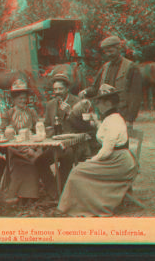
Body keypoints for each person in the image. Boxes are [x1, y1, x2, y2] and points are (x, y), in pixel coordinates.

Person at [57, 84, 138, 217]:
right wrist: (96, 122)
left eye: (99, 102)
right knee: (80, 169)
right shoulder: (111, 118)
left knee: (78, 170)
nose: (97, 105)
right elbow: (106, 134)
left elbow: (107, 150)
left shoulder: (114, 120)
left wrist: (92, 160)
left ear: (107, 103)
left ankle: (79, 206)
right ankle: (78, 205)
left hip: (119, 163)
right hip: (115, 158)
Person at [36, 73, 91, 196]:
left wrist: (70, 113)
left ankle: (58, 192)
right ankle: (54, 190)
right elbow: (46, 124)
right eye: (55, 89)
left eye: (60, 89)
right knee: (39, 161)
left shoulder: (77, 102)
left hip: (75, 145)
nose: (57, 92)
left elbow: (84, 127)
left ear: (67, 89)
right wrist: (47, 131)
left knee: (67, 156)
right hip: (56, 145)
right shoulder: (50, 104)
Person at [79, 36, 142, 129]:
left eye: (111, 51)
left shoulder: (131, 67)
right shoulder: (105, 67)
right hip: (105, 114)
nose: (108, 54)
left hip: (122, 114)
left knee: (121, 142)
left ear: (119, 49)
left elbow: (135, 96)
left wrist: (130, 119)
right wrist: (86, 92)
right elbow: (95, 88)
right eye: (106, 52)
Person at [0, 79, 43, 204]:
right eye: (19, 99)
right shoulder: (8, 114)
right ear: (13, 100)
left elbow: (38, 129)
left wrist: (33, 147)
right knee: (21, 161)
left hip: (31, 146)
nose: (23, 101)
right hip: (14, 148)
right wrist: (9, 131)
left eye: (24, 98)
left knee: (32, 159)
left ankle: (31, 196)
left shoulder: (31, 112)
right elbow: (2, 132)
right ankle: (18, 195)